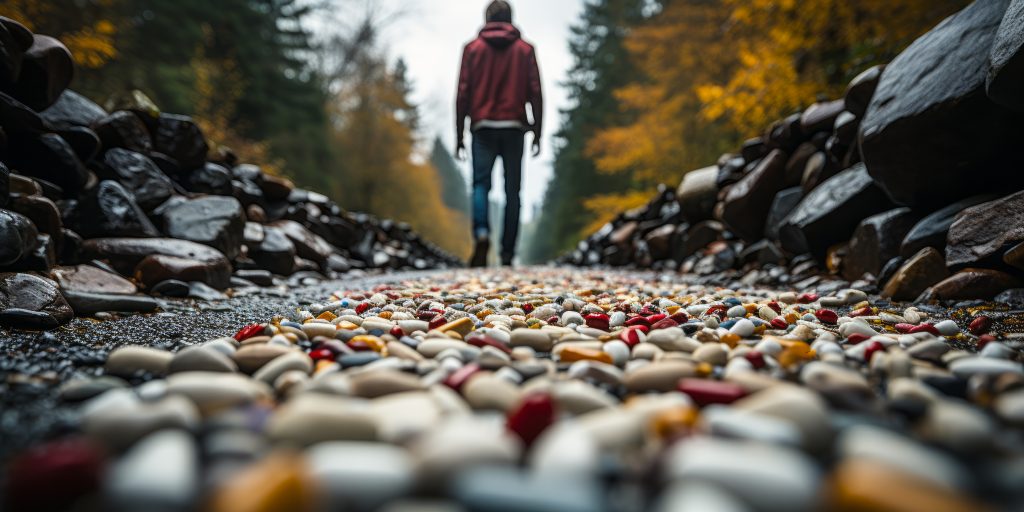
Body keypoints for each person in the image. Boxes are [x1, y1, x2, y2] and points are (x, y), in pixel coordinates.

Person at [456, 0, 543, 267]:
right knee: (512, 192)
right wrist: (537, 130)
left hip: (482, 127)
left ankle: (482, 233)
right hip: (515, 127)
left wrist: (459, 134)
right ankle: (507, 253)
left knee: (480, 184)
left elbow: (462, 93)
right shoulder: (525, 49)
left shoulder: (472, 49)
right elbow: (535, 91)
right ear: (510, 18)